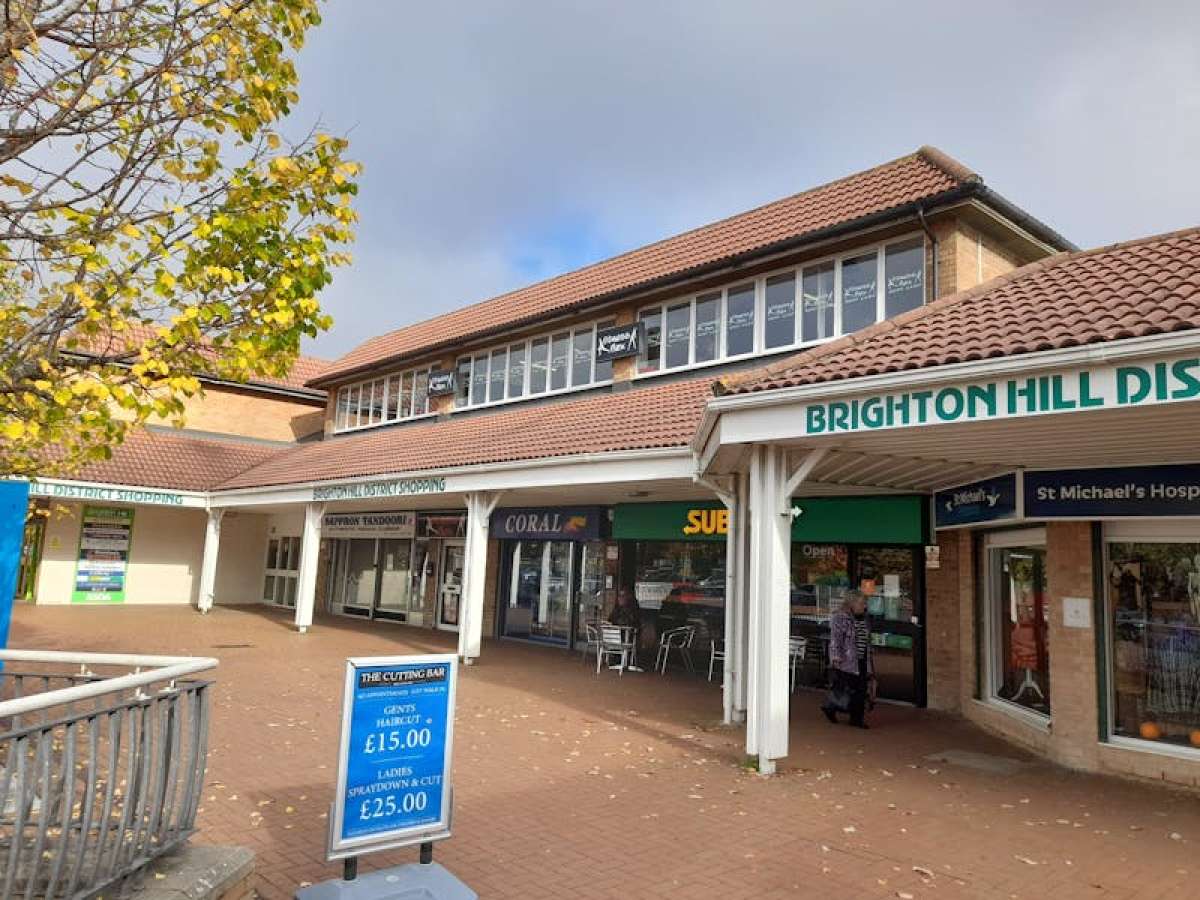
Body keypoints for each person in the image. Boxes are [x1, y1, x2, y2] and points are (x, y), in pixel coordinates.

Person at [822, 590, 874, 728]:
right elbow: (835, 639)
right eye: (861, 603)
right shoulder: (840, 618)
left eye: (865, 603)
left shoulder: (865, 618)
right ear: (852, 603)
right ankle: (831, 707)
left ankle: (856, 719)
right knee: (844, 689)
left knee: (861, 690)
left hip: (862, 658)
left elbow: (867, 639)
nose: (864, 606)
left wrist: (870, 658)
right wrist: (835, 657)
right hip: (846, 660)